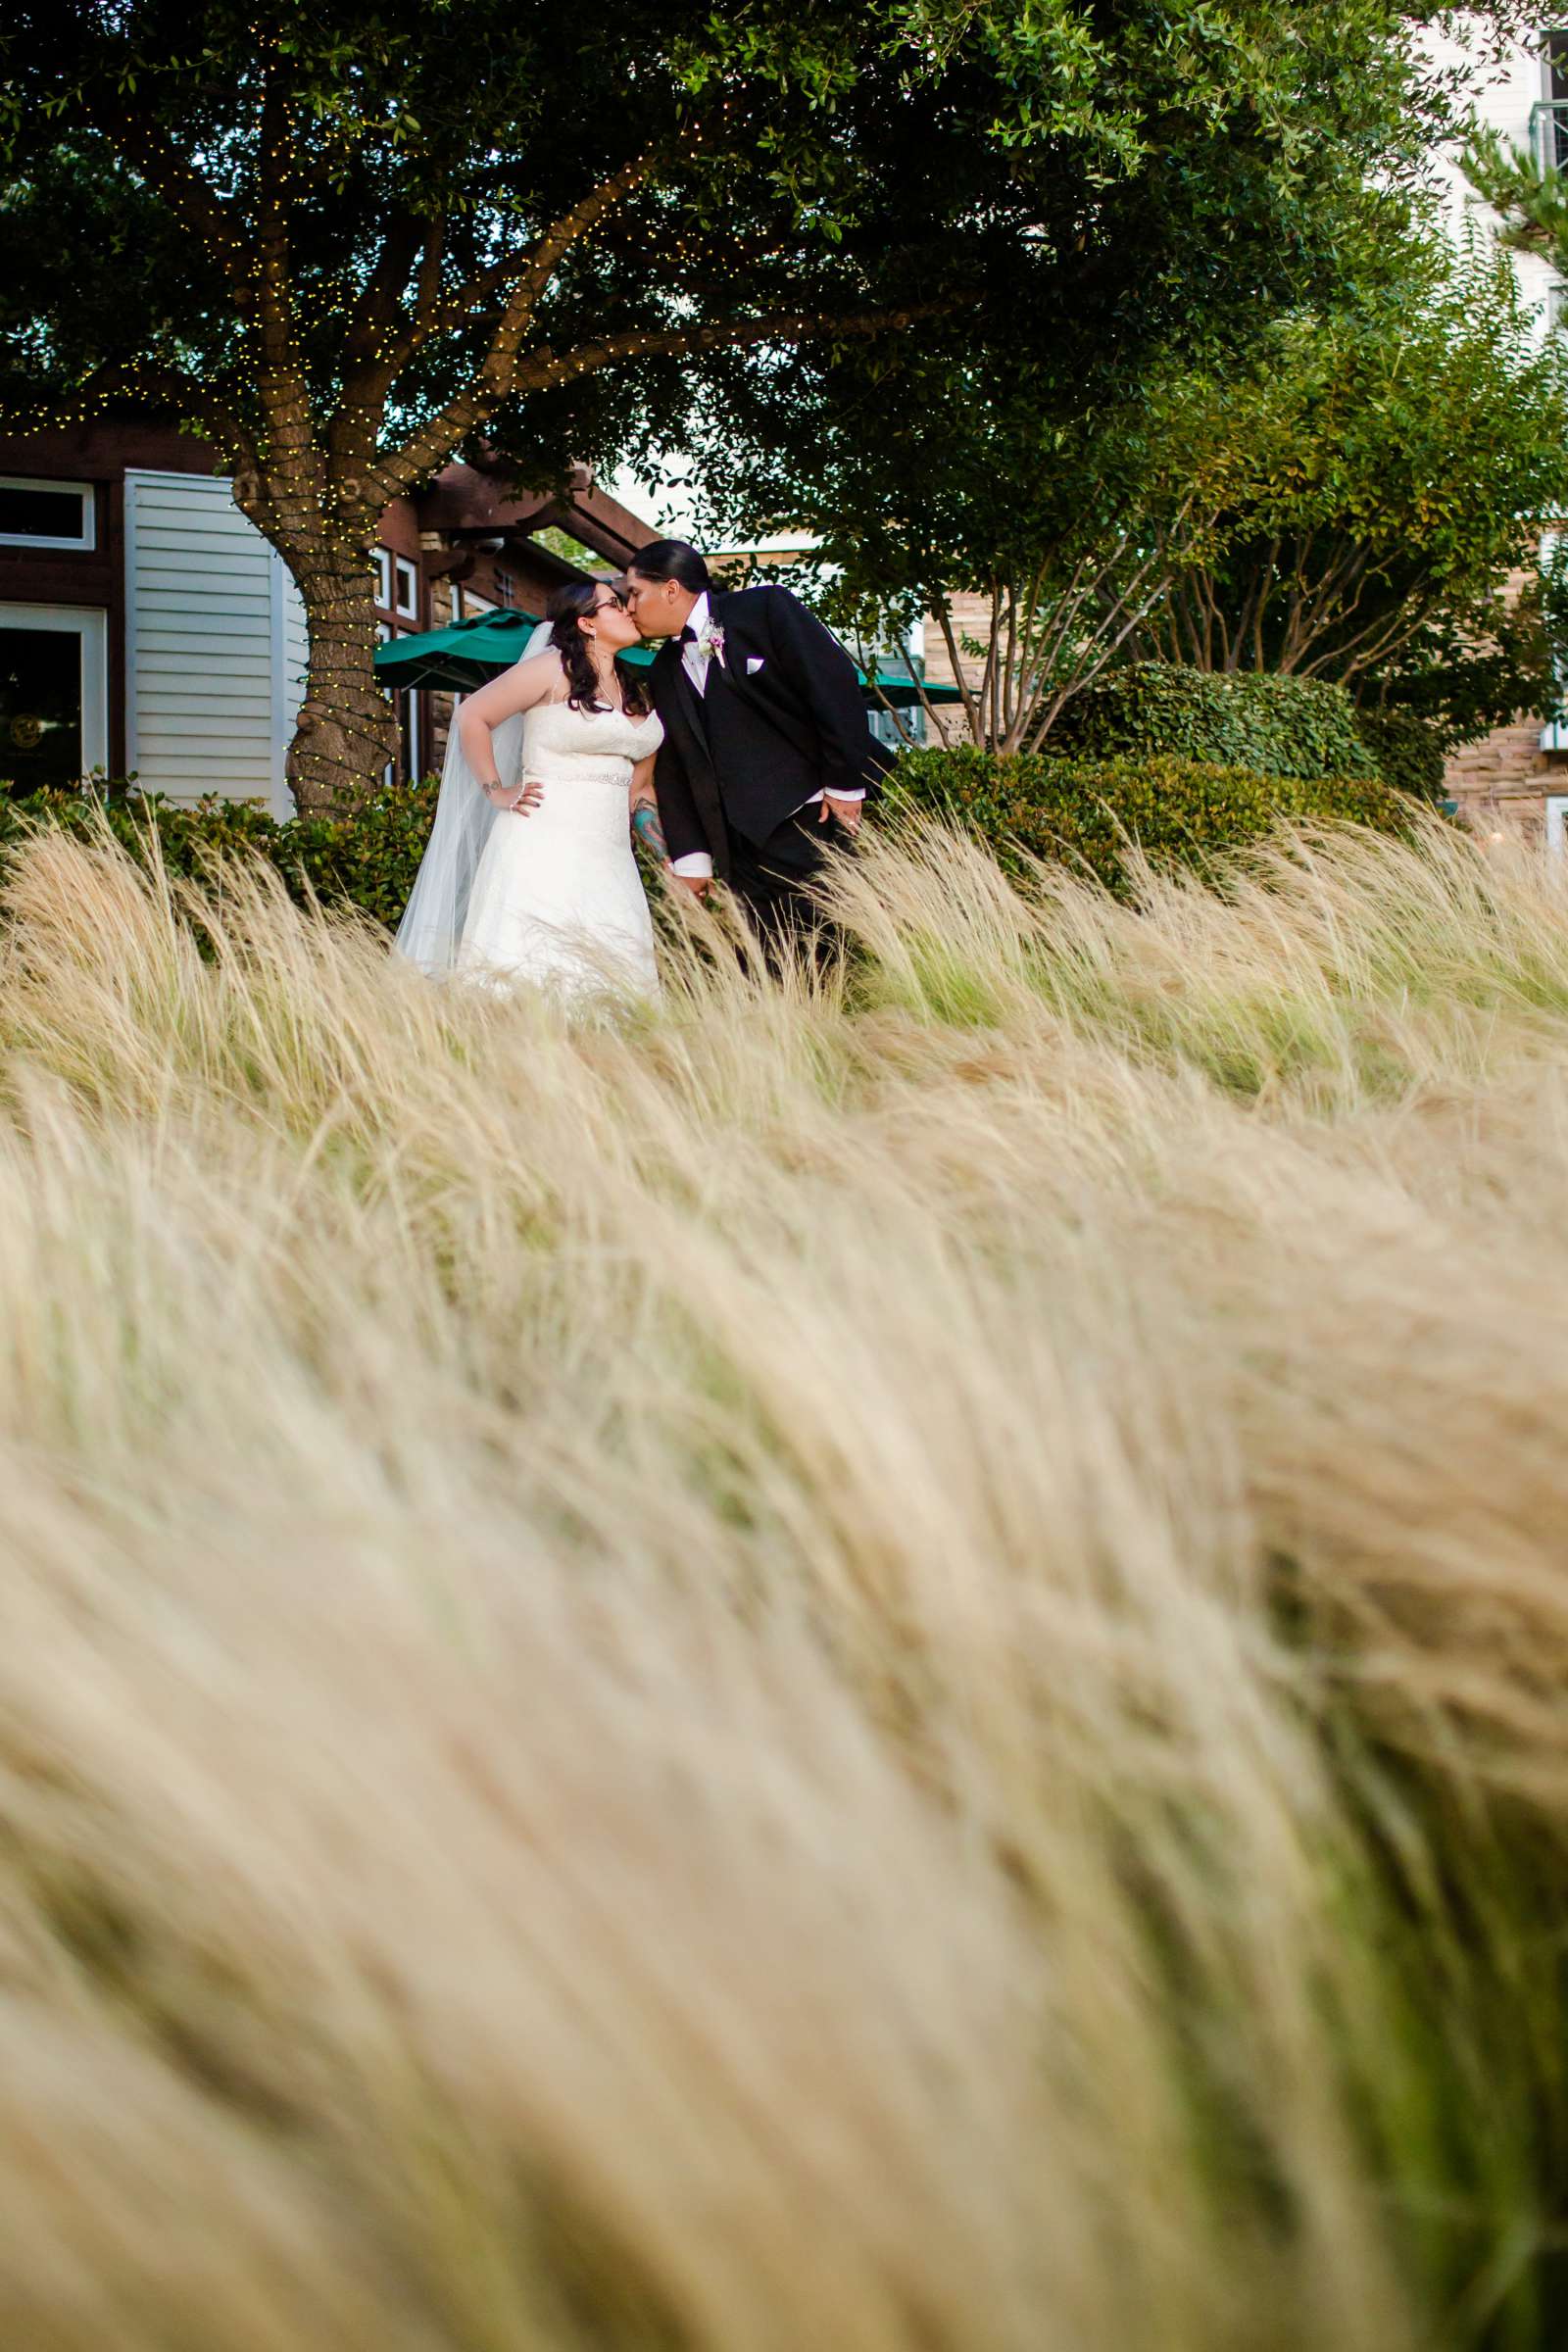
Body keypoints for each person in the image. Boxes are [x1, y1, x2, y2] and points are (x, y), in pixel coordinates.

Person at [394, 583, 668, 1004]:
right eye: (615, 604)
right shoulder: (551, 669)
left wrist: (665, 857)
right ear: (586, 622)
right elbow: (472, 715)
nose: (628, 609)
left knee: (616, 979)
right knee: (536, 970)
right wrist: (495, 790)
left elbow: (640, 790)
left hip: (612, 861)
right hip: (543, 846)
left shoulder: (634, 690)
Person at [623, 540, 887, 954]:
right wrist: (692, 856)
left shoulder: (765, 609)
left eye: (635, 593)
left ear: (670, 590)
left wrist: (843, 785)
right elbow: (675, 766)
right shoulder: (662, 670)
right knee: (765, 960)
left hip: (808, 818)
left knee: (828, 945)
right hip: (735, 847)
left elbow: (831, 685)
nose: (630, 607)